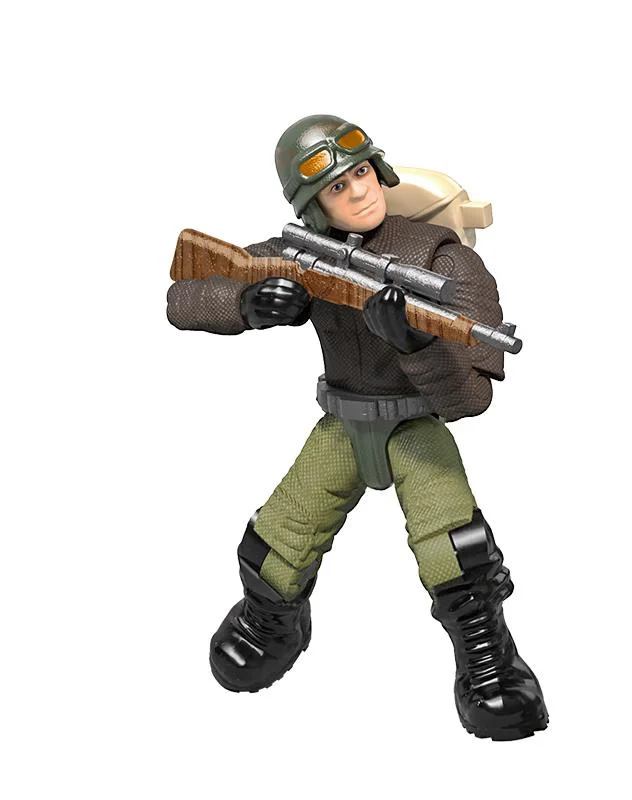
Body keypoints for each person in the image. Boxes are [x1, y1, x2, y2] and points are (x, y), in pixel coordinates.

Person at [166, 114, 548, 740]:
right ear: (312, 205)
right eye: (338, 188)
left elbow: (470, 398)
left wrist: (416, 344)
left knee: (456, 549)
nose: (360, 192)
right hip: (342, 422)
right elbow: (184, 296)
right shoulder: (301, 250)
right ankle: (269, 622)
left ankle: (488, 658)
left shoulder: (439, 259)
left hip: (415, 426)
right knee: (279, 538)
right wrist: (248, 304)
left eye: (364, 173)